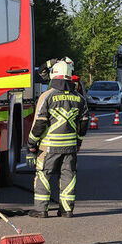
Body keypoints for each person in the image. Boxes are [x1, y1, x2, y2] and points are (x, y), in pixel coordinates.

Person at [27, 59, 89, 218]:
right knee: (68, 176)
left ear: (54, 75)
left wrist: (31, 143)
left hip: (49, 147)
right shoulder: (79, 98)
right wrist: (79, 142)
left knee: (43, 175)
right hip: (70, 147)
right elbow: (84, 122)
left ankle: (41, 210)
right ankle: (67, 210)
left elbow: (40, 122)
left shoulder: (47, 96)